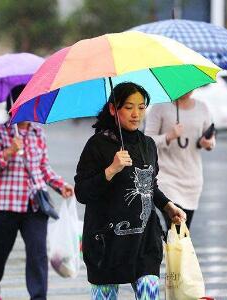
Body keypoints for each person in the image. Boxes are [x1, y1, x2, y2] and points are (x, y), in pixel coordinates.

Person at [74, 82, 186, 300]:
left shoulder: (148, 144)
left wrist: (167, 205)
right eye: (128, 107)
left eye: (142, 107)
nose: (136, 114)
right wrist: (110, 170)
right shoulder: (96, 145)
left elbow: (149, 185)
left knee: (149, 293)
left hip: (144, 241)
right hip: (106, 243)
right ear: (113, 109)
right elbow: (82, 192)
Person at [0, 85, 74, 300]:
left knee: (38, 254)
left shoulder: (37, 132)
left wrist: (61, 185)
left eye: (29, 103)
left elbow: (43, 167)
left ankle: (38, 296)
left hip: (35, 203)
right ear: (12, 106)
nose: (26, 107)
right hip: (5, 205)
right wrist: (9, 151)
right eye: (21, 103)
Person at [144, 92, 215, 230]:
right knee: (176, 229)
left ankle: (172, 251)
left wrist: (208, 143)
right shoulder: (160, 107)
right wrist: (169, 136)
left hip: (192, 180)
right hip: (167, 179)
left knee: (183, 232)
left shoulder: (202, 107)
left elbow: (211, 139)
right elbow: (147, 141)